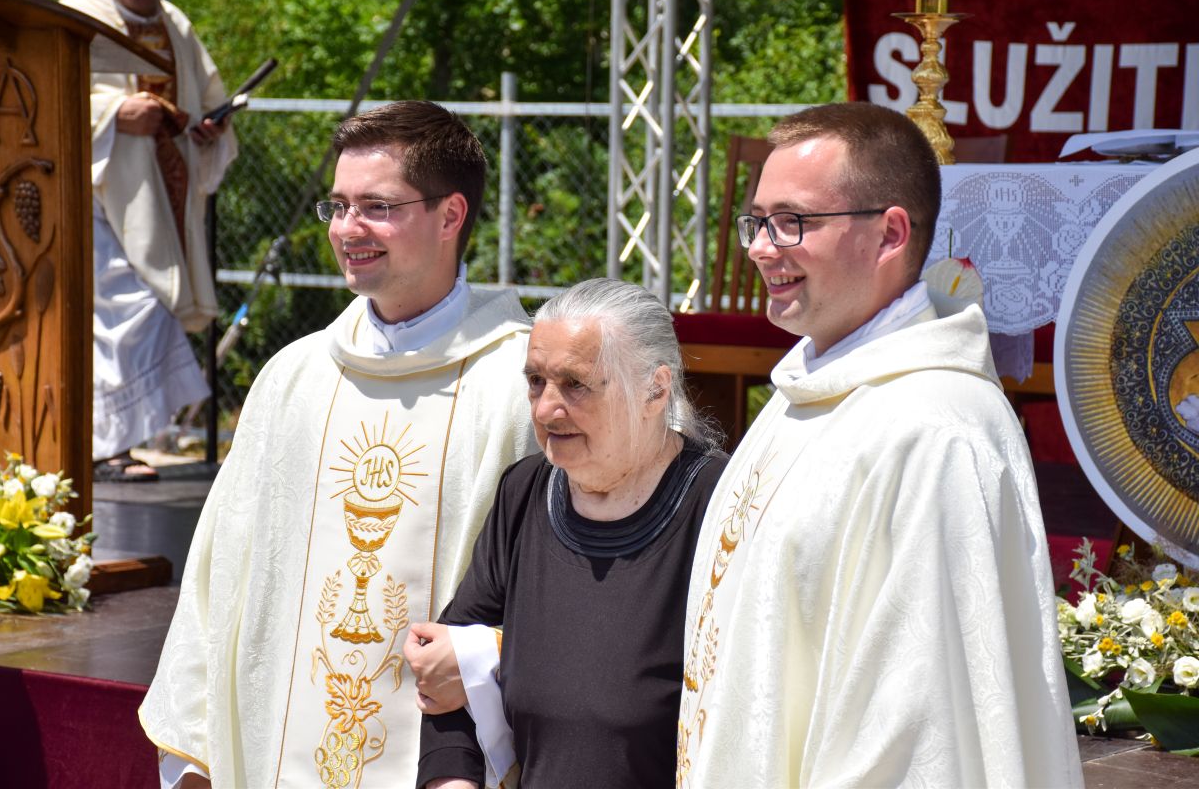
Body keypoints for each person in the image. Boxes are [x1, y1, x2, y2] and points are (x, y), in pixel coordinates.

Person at [676, 103, 1084, 787]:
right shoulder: (807, 392)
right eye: (758, 221)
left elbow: (917, 733)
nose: (761, 248)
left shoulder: (934, 432)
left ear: (890, 233)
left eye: (792, 221)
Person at [137, 101, 538, 788]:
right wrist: (196, 747)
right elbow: (219, 573)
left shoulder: (523, 385)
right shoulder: (294, 378)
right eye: (339, 206)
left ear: (451, 216)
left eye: (377, 207)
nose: (348, 229)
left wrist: (490, 654)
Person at [409, 278, 727, 788]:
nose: (544, 408)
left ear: (655, 389)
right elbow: (447, 673)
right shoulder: (524, 494)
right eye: (536, 381)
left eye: (575, 384)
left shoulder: (721, 507)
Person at [61, 0, 237, 481]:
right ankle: (104, 448)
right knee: (130, 308)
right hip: (88, 195)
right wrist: (112, 115)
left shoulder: (175, 23)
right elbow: (37, 94)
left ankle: (113, 445)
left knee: (145, 307)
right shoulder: (76, 15)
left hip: (158, 194)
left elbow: (206, 100)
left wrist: (207, 129)